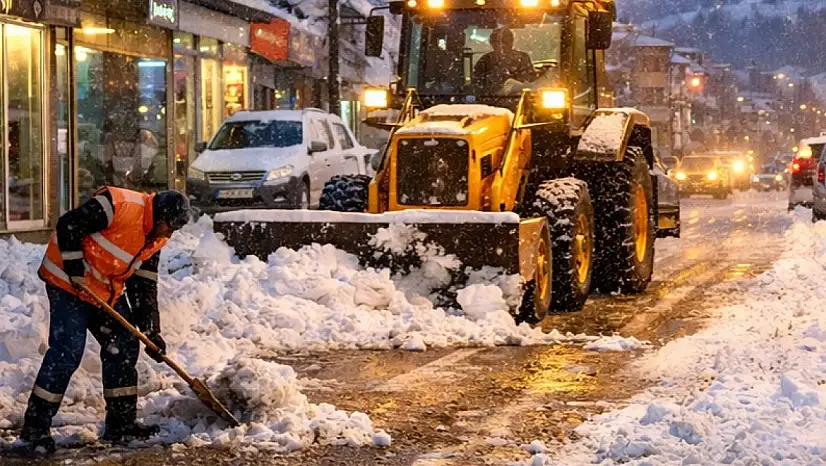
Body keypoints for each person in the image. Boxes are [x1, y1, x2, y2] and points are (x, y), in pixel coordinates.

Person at [17, 187, 192, 455]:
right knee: (67, 350)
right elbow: (68, 224)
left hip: (101, 289)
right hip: (67, 282)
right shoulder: (119, 205)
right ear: (160, 216)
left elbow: (143, 286)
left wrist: (151, 331)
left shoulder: (155, 238)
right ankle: (35, 430)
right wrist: (75, 268)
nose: (169, 234)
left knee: (124, 343)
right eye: (170, 226)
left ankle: (121, 425)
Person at [473, 27, 536, 94]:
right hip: (490, 98)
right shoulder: (485, 61)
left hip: (519, 98)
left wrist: (515, 87)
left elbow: (530, 82)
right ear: (492, 43)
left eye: (505, 42)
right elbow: (476, 86)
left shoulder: (522, 58)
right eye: (497, 42)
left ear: (512, 42)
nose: (502, 45)